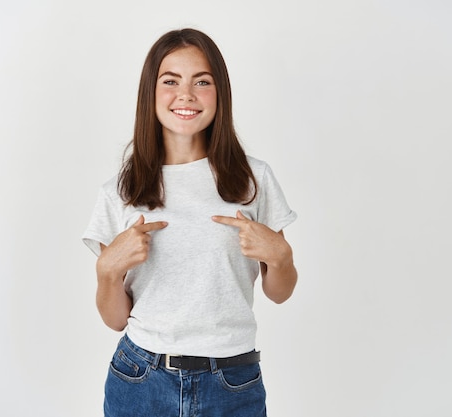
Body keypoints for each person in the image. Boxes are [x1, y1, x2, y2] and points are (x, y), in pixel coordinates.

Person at [82, 28, 297, 417]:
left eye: (202, 81)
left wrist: (281, 259)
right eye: (170, 81)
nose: (186, 95)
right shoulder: (120, 191)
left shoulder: (254, 180)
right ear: (151, 93)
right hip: (140, 379)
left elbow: (280, 292)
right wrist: (107, 272)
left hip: (234, 382)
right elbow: (115, 319)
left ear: (220, 93)